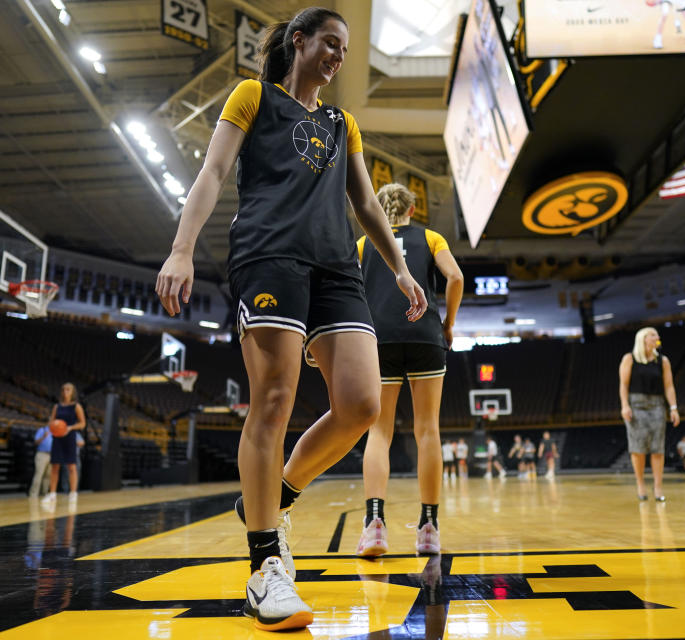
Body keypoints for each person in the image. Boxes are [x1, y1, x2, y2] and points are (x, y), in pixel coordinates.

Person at [154, 7, 427, 631]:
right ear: (298, 41)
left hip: (337, 268)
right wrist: (182, 247)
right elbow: (214, 171)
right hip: (267, 255)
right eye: (329, 43)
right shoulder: (253, 96)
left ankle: (274, 499)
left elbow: (364, 202)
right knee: (273, 401)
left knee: (361, 405)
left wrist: (402, 270)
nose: (337, 55)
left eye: (345, 48)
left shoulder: (342, 122)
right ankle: (264, 568)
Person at [356, 182, 464, 558]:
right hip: (424, 333)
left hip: (378, 337)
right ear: (413, 210)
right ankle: (429, 528)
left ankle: (374, 527)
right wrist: (448, 324)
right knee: (428, 430)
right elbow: (456, 277)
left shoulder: (362, 242)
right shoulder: (431, 237)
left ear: (379, 208)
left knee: (379, 433)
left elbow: (346, 289)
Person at [619, 327, 681, 501]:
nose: (657, 337)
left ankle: (658, 487)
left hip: (657, 406)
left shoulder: (663, 361)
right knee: (637, 449)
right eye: (653, 335)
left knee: (657, 449)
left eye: (657, 335)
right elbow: (623, 385)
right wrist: (625, 405)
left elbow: (669, 386)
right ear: (643, 339)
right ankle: (640, 484)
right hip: (636, 405)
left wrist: (673, 408)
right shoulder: (629, 359)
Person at [40, 383, 85, 510]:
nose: (66, 391)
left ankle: (73, 493)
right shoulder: (57, 406)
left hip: (70, 436)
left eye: (68, 389)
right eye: (64, 389)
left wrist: (70, 427)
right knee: (55, 465)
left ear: (72, 392)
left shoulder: (76, 406)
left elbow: (82, 424)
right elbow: (51, 422)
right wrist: (53, 426)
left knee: (71, 466)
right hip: (58, 437)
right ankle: (52, 494)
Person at [29, 422, 52, 498]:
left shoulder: (55, 431)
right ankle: (33, 494)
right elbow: (36, 442)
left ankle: (44, 494)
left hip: (51, 455)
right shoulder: (42, 430)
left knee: (48, 476)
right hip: (42, 454)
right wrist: (43, 437)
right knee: (39, 474)